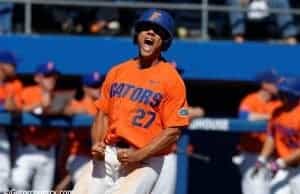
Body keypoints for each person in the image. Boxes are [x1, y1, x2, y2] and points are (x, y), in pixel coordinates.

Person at [72, 9, 189, 194]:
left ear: (164, 41)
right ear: (137, 34)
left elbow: (173, 131)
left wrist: (139, 155)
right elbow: (102, 113)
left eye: (157, 30)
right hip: (110, 153)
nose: (150, 32)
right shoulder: (117, 71)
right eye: (146, 28)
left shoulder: (172, 80)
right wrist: (97, 143)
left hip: (145, 160)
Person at [11, 62, 61, 190]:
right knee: (17, 183)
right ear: (37, 78)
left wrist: (59, 109)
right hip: (27, 149)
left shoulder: (60, 95)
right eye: (47, 75)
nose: (51, 79)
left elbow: (75, 110)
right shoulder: (27, 92)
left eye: (54, 76)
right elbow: (16, 110)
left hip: (48, 151)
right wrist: (39, 104)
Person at [232, 70, 282, 194]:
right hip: (252, 157)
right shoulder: (250, 100)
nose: (278, 86)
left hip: (273, 159)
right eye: (275, 83)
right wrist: (269, 117)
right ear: (264, 84)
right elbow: (243, 117)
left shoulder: (278, 103)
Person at [55, 71, 102, 192]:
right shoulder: (77, 104)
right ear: (85, 88)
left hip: (98, 156)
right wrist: (73, 111)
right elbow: (64, 110)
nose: (98, 89)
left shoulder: (103, 105)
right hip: (78, 155)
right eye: (94, 86)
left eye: (99, 85)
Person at [253, 76, 300, 194]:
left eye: (286, 92)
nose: (281, 95)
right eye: (281, 92)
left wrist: (281, 162)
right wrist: (262, 158)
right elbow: (272, 136)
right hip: (284, 168)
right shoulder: (277, 111)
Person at [0, 50, 22, 192]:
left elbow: (16, 106)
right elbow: (8, 105)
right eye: (12, 64)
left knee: (3, 174)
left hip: (2, 131)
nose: (15, 66)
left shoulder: (14, 84)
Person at [227, 0, 298, 44]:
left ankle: (291, 41)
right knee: (234, 1)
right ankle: (238, 42)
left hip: (267, 1)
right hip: (247, 2)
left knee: (281, 1)